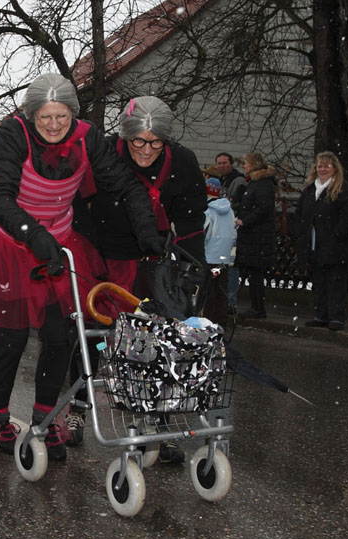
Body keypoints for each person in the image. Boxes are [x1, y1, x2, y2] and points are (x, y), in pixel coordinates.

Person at [0, 73, 163, 461]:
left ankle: (45, 419)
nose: (54, 125)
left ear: (73, 114)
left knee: (60, 337)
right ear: (32, 115)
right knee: (11, 338)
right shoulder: (12, 135)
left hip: (59, 242)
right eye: (45, 117)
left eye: (62, 117)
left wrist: (148, 232)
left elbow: (126, 185)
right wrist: (32, 233)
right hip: (7, 242)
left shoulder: (88, 139)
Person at [88, 95, 208, 464]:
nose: (145, 149)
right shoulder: (105, 154)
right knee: (97, 332)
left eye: (155, 142)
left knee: (157, 337)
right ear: (125, 137)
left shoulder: (182, 163)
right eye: (138, 141)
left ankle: (157, 420)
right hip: (107, 250)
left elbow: (191, 220)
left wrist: (193, 268)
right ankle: (78, 406)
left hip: (156, 254)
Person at [295, 151, 348, 331]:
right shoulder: (310, 190)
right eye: (320, 166)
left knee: (336, 284)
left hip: (337, 247)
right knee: (320, 283)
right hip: (315, 244)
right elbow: (300, 215)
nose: (322, 169)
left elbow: (346, 218)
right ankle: (321, 315)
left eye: (326, 166)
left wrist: (335, 236)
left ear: (334, 169)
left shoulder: (344, 190)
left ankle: (337, 318)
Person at [234, 152, 277, 319]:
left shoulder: (261, 184)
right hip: (255, 236)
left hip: (258, 236)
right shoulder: (256, 183)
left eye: (246, 163)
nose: (244, 166)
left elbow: (263, 208)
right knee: (254, 273)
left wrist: (245, 221)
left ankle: (257, 307)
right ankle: (256, 306)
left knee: (256, 273)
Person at [202, 177, 236, 329]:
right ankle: (221, 320)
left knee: (208, 291)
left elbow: (205, 233)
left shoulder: (208, 211)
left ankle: (208, 321)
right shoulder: (230, 211)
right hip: (223, 256)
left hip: (209, 256)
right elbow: (233, 234)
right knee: (221, 289)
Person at [216, 152, 246, 311]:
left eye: (224, 163)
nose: (221, 166)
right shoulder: (222, 181)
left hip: (232, 229)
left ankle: (230, 302)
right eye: (219, 163)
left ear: (231, 164)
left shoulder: (238, 181)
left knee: (231, 266)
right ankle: (223, 300)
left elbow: (234, 204)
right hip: (221, 229)